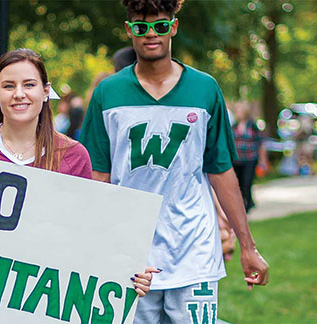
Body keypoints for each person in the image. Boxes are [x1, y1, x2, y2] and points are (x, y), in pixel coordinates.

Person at [0, 48, 156, 297]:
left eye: (29, 84)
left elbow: (89, 234)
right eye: (8, 86)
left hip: (40, 299)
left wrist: (127, 270)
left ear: (45, 91)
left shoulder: (73, 156)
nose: (19, 94)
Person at [79, 1, 269, 322]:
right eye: (141, 27)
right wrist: (95, 245)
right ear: (129, 31)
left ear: (174, 27)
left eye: (160, 26)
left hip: (193, 246)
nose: (151, 34)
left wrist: (248, 247)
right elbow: (98, 176)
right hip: (130, 250)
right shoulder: (107, 93)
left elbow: (220, 171)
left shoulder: (204, 88)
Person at [232, 101, 269, 212]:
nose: (238, 113)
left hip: (250, 158)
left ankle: (248, 204)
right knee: (239, 183)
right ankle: (246, 202)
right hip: (237, 159)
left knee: (247, 182)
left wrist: (263, 161)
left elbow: (261, 144)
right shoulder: (234, 126)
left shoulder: (252, 126)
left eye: (240, 110)